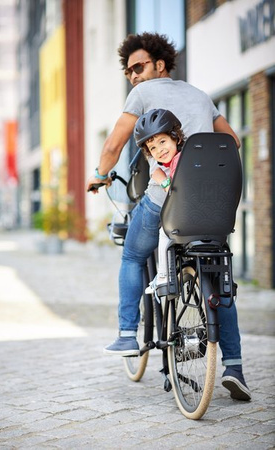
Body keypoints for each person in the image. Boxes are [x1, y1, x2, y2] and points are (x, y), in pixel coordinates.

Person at [86, 32, 251, 401]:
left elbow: (115, 144)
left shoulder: (144, 94)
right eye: (128, 71)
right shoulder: (200, 95)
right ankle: (235, 366)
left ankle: (128, 334)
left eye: (139, 66)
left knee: (131, 254)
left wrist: (99, 176)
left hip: (168, 199)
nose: (133, 75)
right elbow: (233, 141)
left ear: (159, 64)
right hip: (211, 202)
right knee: (219, 281)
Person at [134, 108, 186, 292]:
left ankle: (163, 275)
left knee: (165, 231)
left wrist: (165, 183)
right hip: (203, 215)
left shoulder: (181, 159)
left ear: (176, 138)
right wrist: (163, 180)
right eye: (153, 148)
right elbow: (157, 172)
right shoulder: (178, 159)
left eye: (162, 141)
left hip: (186, 214)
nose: (159, 150)